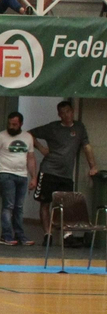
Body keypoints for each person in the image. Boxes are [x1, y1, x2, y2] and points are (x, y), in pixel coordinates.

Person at [32, 100, 98, 243]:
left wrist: (93, 166)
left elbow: (87, 147)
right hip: (49, 170)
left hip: (66, 174)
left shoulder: (79, 128)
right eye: (63, 113)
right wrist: (41, 148)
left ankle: (67, 235)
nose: (66, 115)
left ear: (72, 112)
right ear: (59, 115)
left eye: (68, 112)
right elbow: (29, 134)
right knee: (45, 203)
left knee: (67, 205)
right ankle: (47, 235)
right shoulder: (52, 128)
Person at [0, 111, 37, 246]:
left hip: (22, 175)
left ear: (21, 124)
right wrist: (0, 167)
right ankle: (6, 236)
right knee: (8, 206)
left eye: (14, 124)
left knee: (19, 207)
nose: (11, 127)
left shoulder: (28, 137)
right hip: (6, 173)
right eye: (9, 124)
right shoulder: (1, 136)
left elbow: (31, 158)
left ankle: (20, 235)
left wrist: (34, 177)